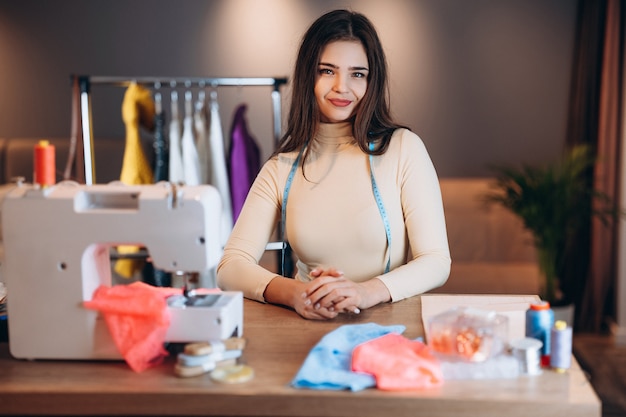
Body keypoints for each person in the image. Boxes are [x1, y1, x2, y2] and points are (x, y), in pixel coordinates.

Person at [217, 9, 450, 320]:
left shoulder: (402, 149)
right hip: (304, 325)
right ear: (308, 76)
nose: (342, 86)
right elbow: (230, 265)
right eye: (327, 71)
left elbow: (435, 261)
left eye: (357, 73)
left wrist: (364, 292)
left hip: (386, 325)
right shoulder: (282, 166)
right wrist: (294, 293)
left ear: (371, 80)